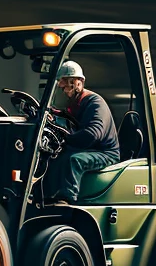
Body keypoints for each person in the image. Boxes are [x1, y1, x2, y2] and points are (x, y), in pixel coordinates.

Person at [45, 60, 120, 205]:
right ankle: (47, 196)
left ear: (79, 82)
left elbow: (92, 134)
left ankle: (65, 200)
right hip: (88, 149)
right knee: (53, 157)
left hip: (105, 153)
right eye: (63, 85)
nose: (64, 89)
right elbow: (68, 119)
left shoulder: (95, 102)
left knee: (74, 160)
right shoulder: (75, 103)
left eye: (67, 84)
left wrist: (66, 139)